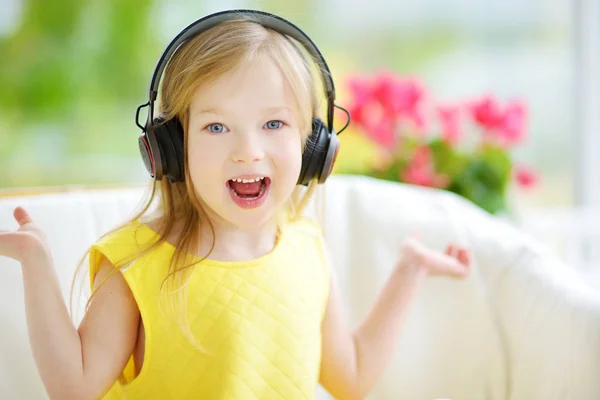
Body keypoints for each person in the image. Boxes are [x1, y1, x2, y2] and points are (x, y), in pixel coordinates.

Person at [0, 10, 471, 400]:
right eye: (217, 128)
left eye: (273, 124)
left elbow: (351, 379)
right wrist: (36, 263)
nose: (248, 150)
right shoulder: (137, 264)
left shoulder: (307, 247)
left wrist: (409, 270)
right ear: (170, 147)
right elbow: (73, 389)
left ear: (312, 146)